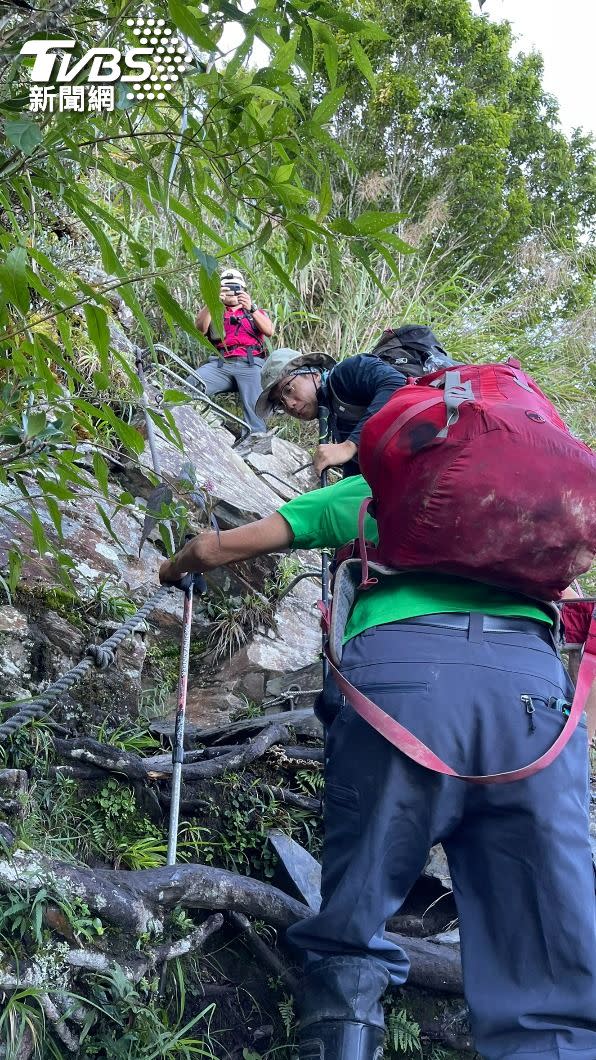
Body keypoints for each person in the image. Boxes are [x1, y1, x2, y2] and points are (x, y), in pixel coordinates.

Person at [159, 474, 596, 1060]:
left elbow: (230, 544)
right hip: (534, 695)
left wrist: (178, 565)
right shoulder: (541, 500)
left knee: (354, 924)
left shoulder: (392, 485)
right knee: (549, 961)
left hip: (401, 683)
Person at [254, 347, 407, 477]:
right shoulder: (333, 414)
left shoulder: (348, 372)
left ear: (313, 375)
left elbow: (398, 385)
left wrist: (350, 446)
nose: (289, 404)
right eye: (280, 403)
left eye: (288, 389)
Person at [190, 267, 274, 440]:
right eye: (227, 288)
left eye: (236, 288)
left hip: (251, 363)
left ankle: (255, 439)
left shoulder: (253, 311)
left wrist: (251, 308)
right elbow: (200, 328)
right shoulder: (214, 311)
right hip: (221, 364)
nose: (232, 292)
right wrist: (212, 302)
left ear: (243, 290)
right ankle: (187, 419)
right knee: (191, 384)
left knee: (255, 403)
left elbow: (269, 330)